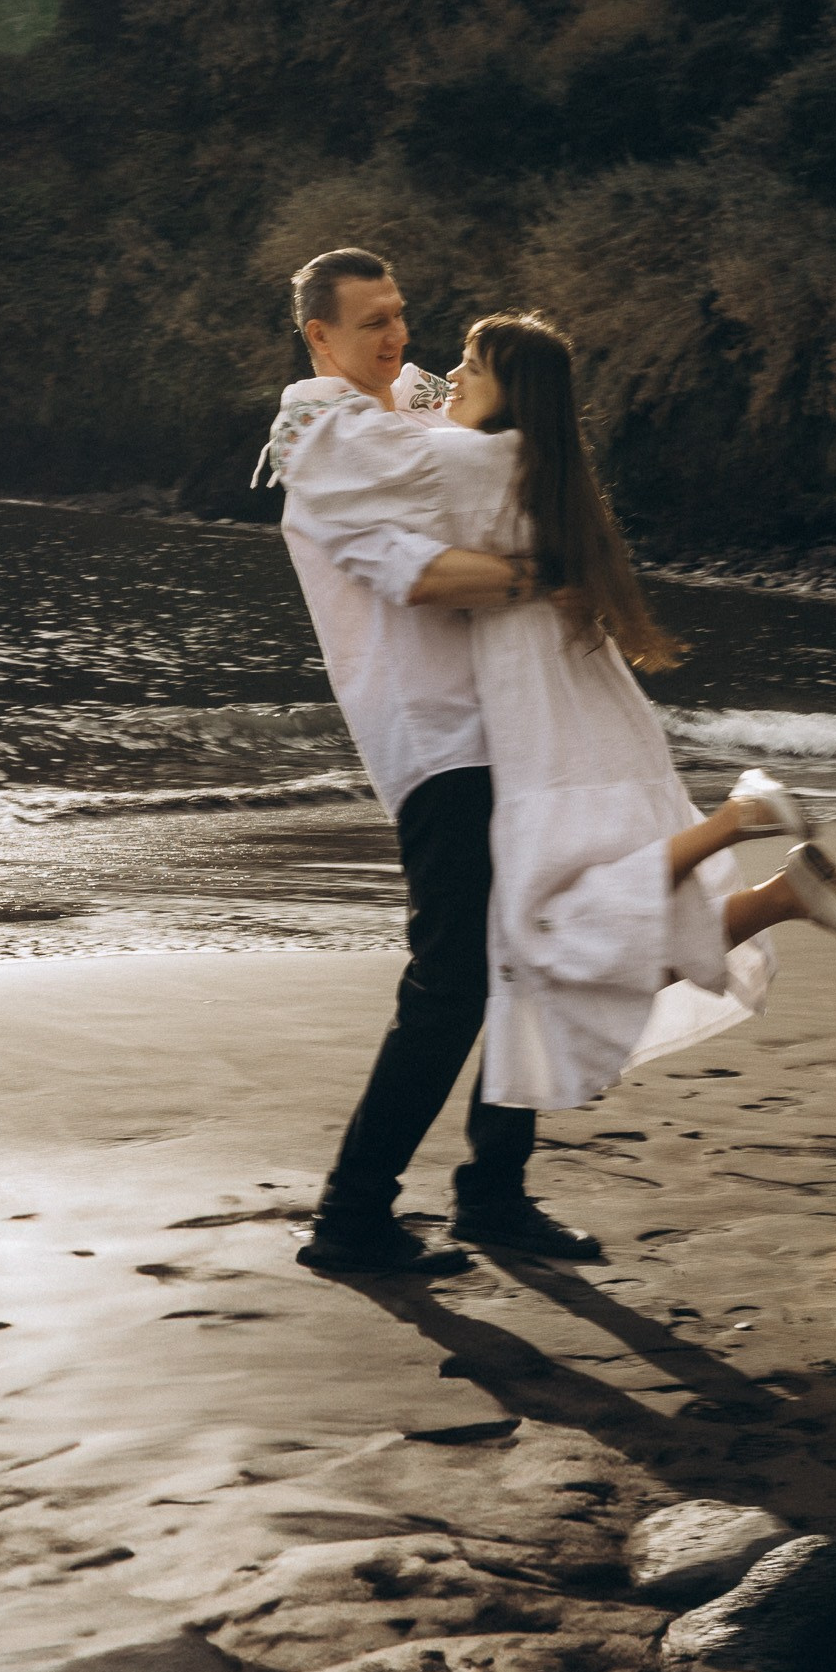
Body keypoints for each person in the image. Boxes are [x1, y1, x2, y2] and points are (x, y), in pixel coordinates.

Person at [434, 311, 836, 1116]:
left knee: (549, 942)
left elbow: (395, 521)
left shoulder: (476, 463)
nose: (454, 375)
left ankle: (740, 819)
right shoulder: (548, 473)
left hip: (541, 724)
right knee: (574, 934)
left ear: (512, 393)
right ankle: (778, 899)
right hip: (592, 717)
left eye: (473, 364)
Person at [263, 247, 588, 1277]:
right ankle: (349, 1218)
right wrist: (547, 568)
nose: (394, 337)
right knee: (449, 980)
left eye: (400, 314)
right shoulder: (322, 442)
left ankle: (492, 1195)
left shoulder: (408, 402)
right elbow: (425, 574)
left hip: (504, 720)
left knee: (527, 960)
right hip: (431, 735)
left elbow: (484, 416)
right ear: (319, 337)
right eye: (370, 323)